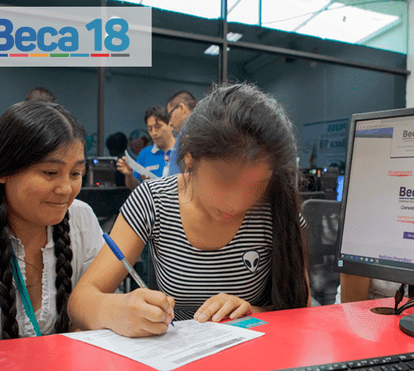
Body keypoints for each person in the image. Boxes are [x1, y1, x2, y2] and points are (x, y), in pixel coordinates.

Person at [68, 82, 310, 338]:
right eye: (224, 180)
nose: (237, 203)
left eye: (256, 185)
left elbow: (301, 308)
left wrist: (254, 313)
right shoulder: (155, 201)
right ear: (190, 157)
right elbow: (80, 302)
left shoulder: (276, 207)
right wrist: (119, 309)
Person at [0, 101, 104, 341]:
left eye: (76, 174)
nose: (66, 189)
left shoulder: (81, 218)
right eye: (50, 173)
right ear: (3, 170)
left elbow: (94, 314)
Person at [116, 105, 175, 191]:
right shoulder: (145, 154)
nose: (154, 133)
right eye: (150, 129)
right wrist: (129, 175)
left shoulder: (183, 150)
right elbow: (134, 187)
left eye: (158, 127)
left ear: (171, 125)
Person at [164, 90, 197, 177]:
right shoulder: (202, 128)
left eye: (170, 115)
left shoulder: (187, 132)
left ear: (182, 108)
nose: (170, 123)